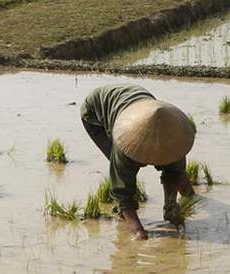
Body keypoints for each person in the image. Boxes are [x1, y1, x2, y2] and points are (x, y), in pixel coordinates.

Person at [78, 83, 197, 242]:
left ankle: (187, 195)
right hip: (95, 112)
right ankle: (123, 213)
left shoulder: (173, 139)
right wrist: (139, 232)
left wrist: (172, 207)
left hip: (140, 103)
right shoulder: (124, 147)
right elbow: (121, 192)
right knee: (122, 169)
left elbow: (175, 173)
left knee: (172, 165)